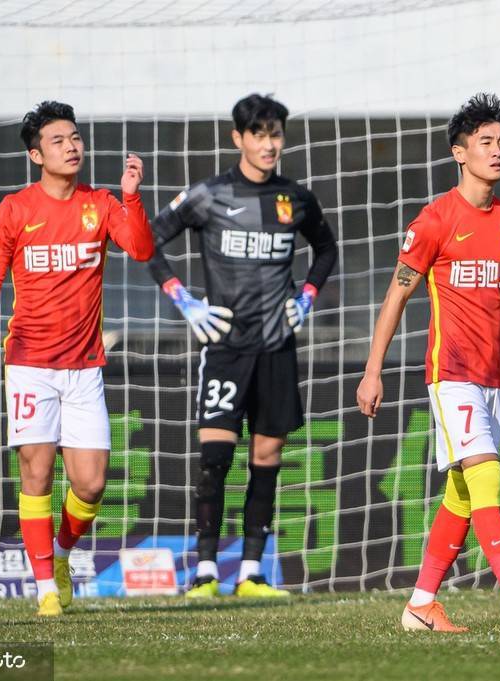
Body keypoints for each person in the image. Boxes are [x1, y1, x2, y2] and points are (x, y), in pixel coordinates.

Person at [357, 93, 500, 631]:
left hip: (496, 377)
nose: (498, 150)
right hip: (451, 373)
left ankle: (420, 605)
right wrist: (372, 369)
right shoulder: (435, 221)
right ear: (460, 153)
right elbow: (396, 296)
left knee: (461, 494)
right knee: (485, 474)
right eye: (486, 142)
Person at [0, 100, 155, 616]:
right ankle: (45, 589)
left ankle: (61, 554)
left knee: (91, 483)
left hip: (85, 368)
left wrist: (131, 197)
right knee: (36, 473)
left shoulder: (100, 203)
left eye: (75, 137)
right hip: (29, 365)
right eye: (59, 140)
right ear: (36, 155)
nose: (71, 146)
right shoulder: (16, 209)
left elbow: (140, 249)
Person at [148, 94, 337, 599]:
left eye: (275, 134)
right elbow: (149, 240)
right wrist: (184, 300)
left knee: (267, 457)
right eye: (259, 134)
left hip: (277, 346)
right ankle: (205, 571)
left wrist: (307, 297)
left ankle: (252, 572)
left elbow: (326, 249)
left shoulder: (295, 198)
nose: (269, 144)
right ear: (239, 138)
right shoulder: (210, 195)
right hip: (226, 345)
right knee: (215, 457)